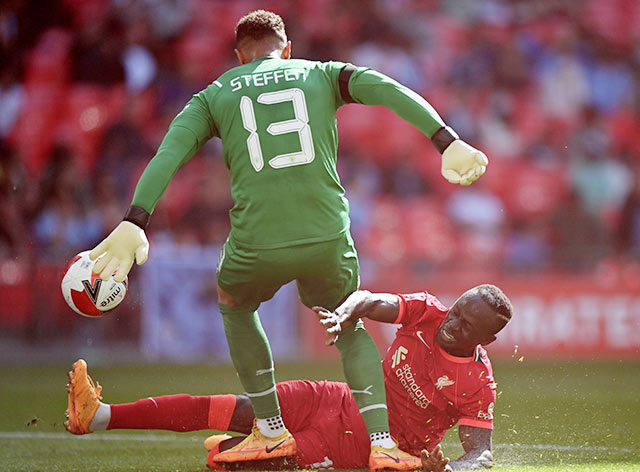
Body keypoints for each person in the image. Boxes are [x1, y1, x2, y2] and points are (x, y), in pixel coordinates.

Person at [86, 9, 488, 469]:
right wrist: (446, 139)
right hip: (326, 235)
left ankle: (272, 430)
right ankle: (382, 443)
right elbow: (385, 87)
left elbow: (168, 156)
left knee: (235, 303)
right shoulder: (321, 73)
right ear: (287, 48)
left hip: (258, 241)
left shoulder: (213, 96)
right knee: (348, 318)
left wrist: (136, 218)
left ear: (239, 57)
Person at [65, 284, 511, 471]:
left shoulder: (478, 384)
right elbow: (372, 300)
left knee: (231, 462)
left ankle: (230, 453)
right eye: (458, 311)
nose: (453, 323)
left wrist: (451, 468)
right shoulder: (430, 312)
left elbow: (482, 456)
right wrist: (347, 310)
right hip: (336, 398)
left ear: (485, 340)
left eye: (469, 325)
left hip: (368, 441)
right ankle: (99, 415)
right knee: (236, 406)